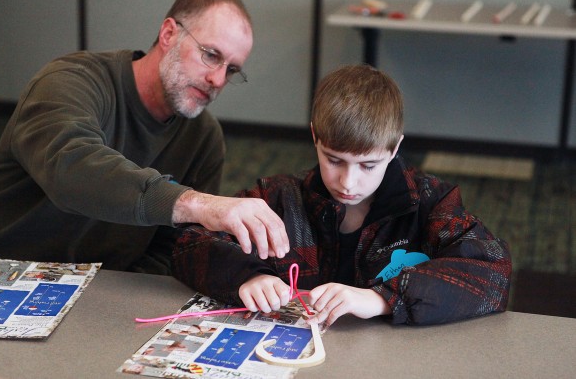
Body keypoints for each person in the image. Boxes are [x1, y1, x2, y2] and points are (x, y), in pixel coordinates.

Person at [0, 0, 289, 273]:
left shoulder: (203, 138)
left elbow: (174, 248)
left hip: (94, 296)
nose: (218, 79)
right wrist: (197, 203)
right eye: (210, 55)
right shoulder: (70, 80)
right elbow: (71, 169)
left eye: (231, 69)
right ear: (169, 33)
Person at [171, 65, 512, 326]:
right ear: (315, 137)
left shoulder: (429, 202)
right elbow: (189, 244)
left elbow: (494, 275)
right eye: (334, 160)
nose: (348, 182)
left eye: (368, 165)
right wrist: (247, 275)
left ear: (394, 149)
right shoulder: (278, 198)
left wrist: (381, 299)